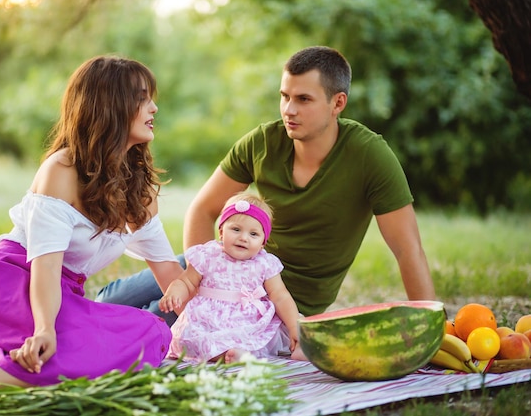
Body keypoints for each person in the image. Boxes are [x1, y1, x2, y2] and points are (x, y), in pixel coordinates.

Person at [0, 55, 185, 414]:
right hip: (8, 288)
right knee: (90, 347)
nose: (154, 107)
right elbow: (46, 270)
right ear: (110, 106)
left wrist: (244, 304)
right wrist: (44, 329)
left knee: (153, 333)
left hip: (61, 299)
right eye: (143, 98)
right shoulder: (62, 170)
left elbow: (172, 279)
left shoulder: (137, 192)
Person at [96, 45, 436, 323]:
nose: (289, 109)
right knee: (110, 300)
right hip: (226, 260)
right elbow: (204, 208)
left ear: (338, 103)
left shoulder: (369, 155)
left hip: (271, 297)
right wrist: (205, 274)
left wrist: (430, 325)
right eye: (284, 96)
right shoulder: (264, 141)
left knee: (142, 324)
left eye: (303, 99)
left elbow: (407, 249)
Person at [159, 193, 301, 363]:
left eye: (253, 234)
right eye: (236, 229)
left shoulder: (265, 263)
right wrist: (174, 293)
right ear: (221, 231)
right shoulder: (208, 255)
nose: (243, 237)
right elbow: (186, 282)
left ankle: (300, 345)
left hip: (246, 321)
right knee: (189, 340)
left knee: (259, 339)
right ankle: (227, 355)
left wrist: (294, 328)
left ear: (263, 242)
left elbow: (280, 295)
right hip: (207, 320)